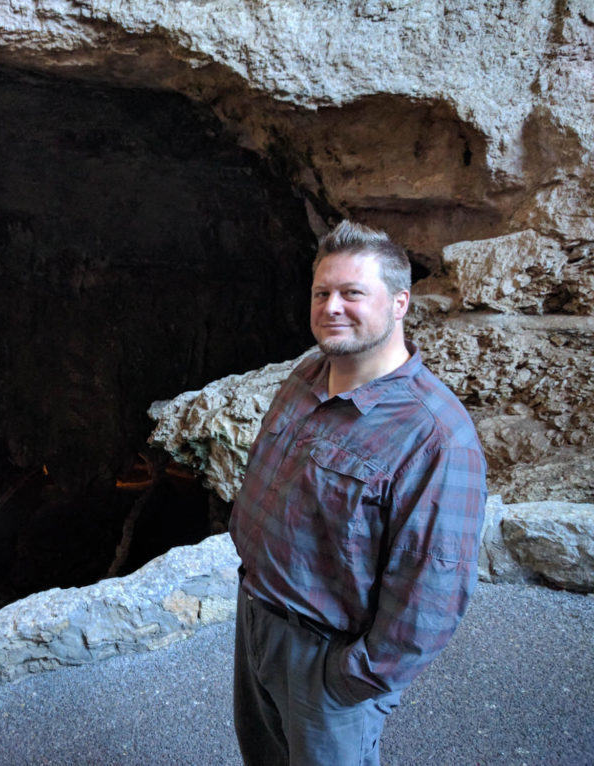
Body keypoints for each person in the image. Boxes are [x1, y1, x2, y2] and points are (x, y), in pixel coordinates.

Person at [229, 220, 487, 766]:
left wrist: (351, 680)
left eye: (352, 293)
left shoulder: (435, 436)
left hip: (326, 658)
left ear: (399, 304)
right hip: (257, 620)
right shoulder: (308, 373)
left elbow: (432, 590)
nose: (331, 307)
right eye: (322, 293)